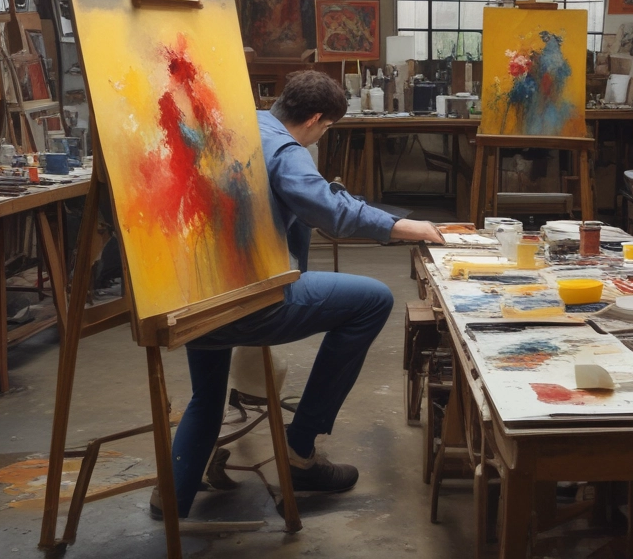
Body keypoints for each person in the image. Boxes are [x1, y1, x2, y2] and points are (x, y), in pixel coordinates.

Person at [158, 70, 444, 519]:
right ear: (314, 119)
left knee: (206, 395)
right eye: (326, 128)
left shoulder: (233, 124)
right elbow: (331, 213)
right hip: (251, 298)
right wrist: (402, 226)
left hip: (197, 295)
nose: (323, 136)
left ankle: (174, 496)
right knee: (374, 300)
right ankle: (299, 452)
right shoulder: (286, 150)